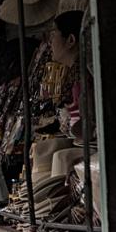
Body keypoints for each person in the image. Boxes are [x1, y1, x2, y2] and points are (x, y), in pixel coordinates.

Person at [46, 10, 90, 138]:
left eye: (53, 35)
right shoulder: (74, 73)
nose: (50, 42)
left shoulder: (82, 77)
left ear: (70, 40)